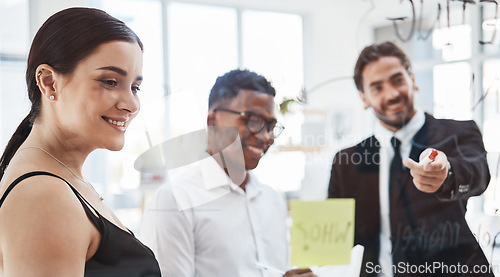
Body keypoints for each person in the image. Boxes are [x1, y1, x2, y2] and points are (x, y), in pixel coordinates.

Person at [0, 7, 161, 276]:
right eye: (110, 81)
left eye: (135, 87)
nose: (132, 104)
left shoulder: (61, 180)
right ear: (49, 83)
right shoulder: (45, 196)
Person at [328, 41, 492, 276]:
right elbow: (334, 238)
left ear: (412, 80)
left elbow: (477, 175)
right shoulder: (346, 161)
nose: (392, 94)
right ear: (363, 98)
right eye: (377, 87)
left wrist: (446, 174)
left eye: (397, 80)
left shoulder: (458, 133)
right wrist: (314, 267)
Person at [140, 69, 314, 277]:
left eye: (271, 126)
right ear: (213, 122)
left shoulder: (272, 199)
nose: (266, 137)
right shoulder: (175, 201)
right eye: (253, 121)